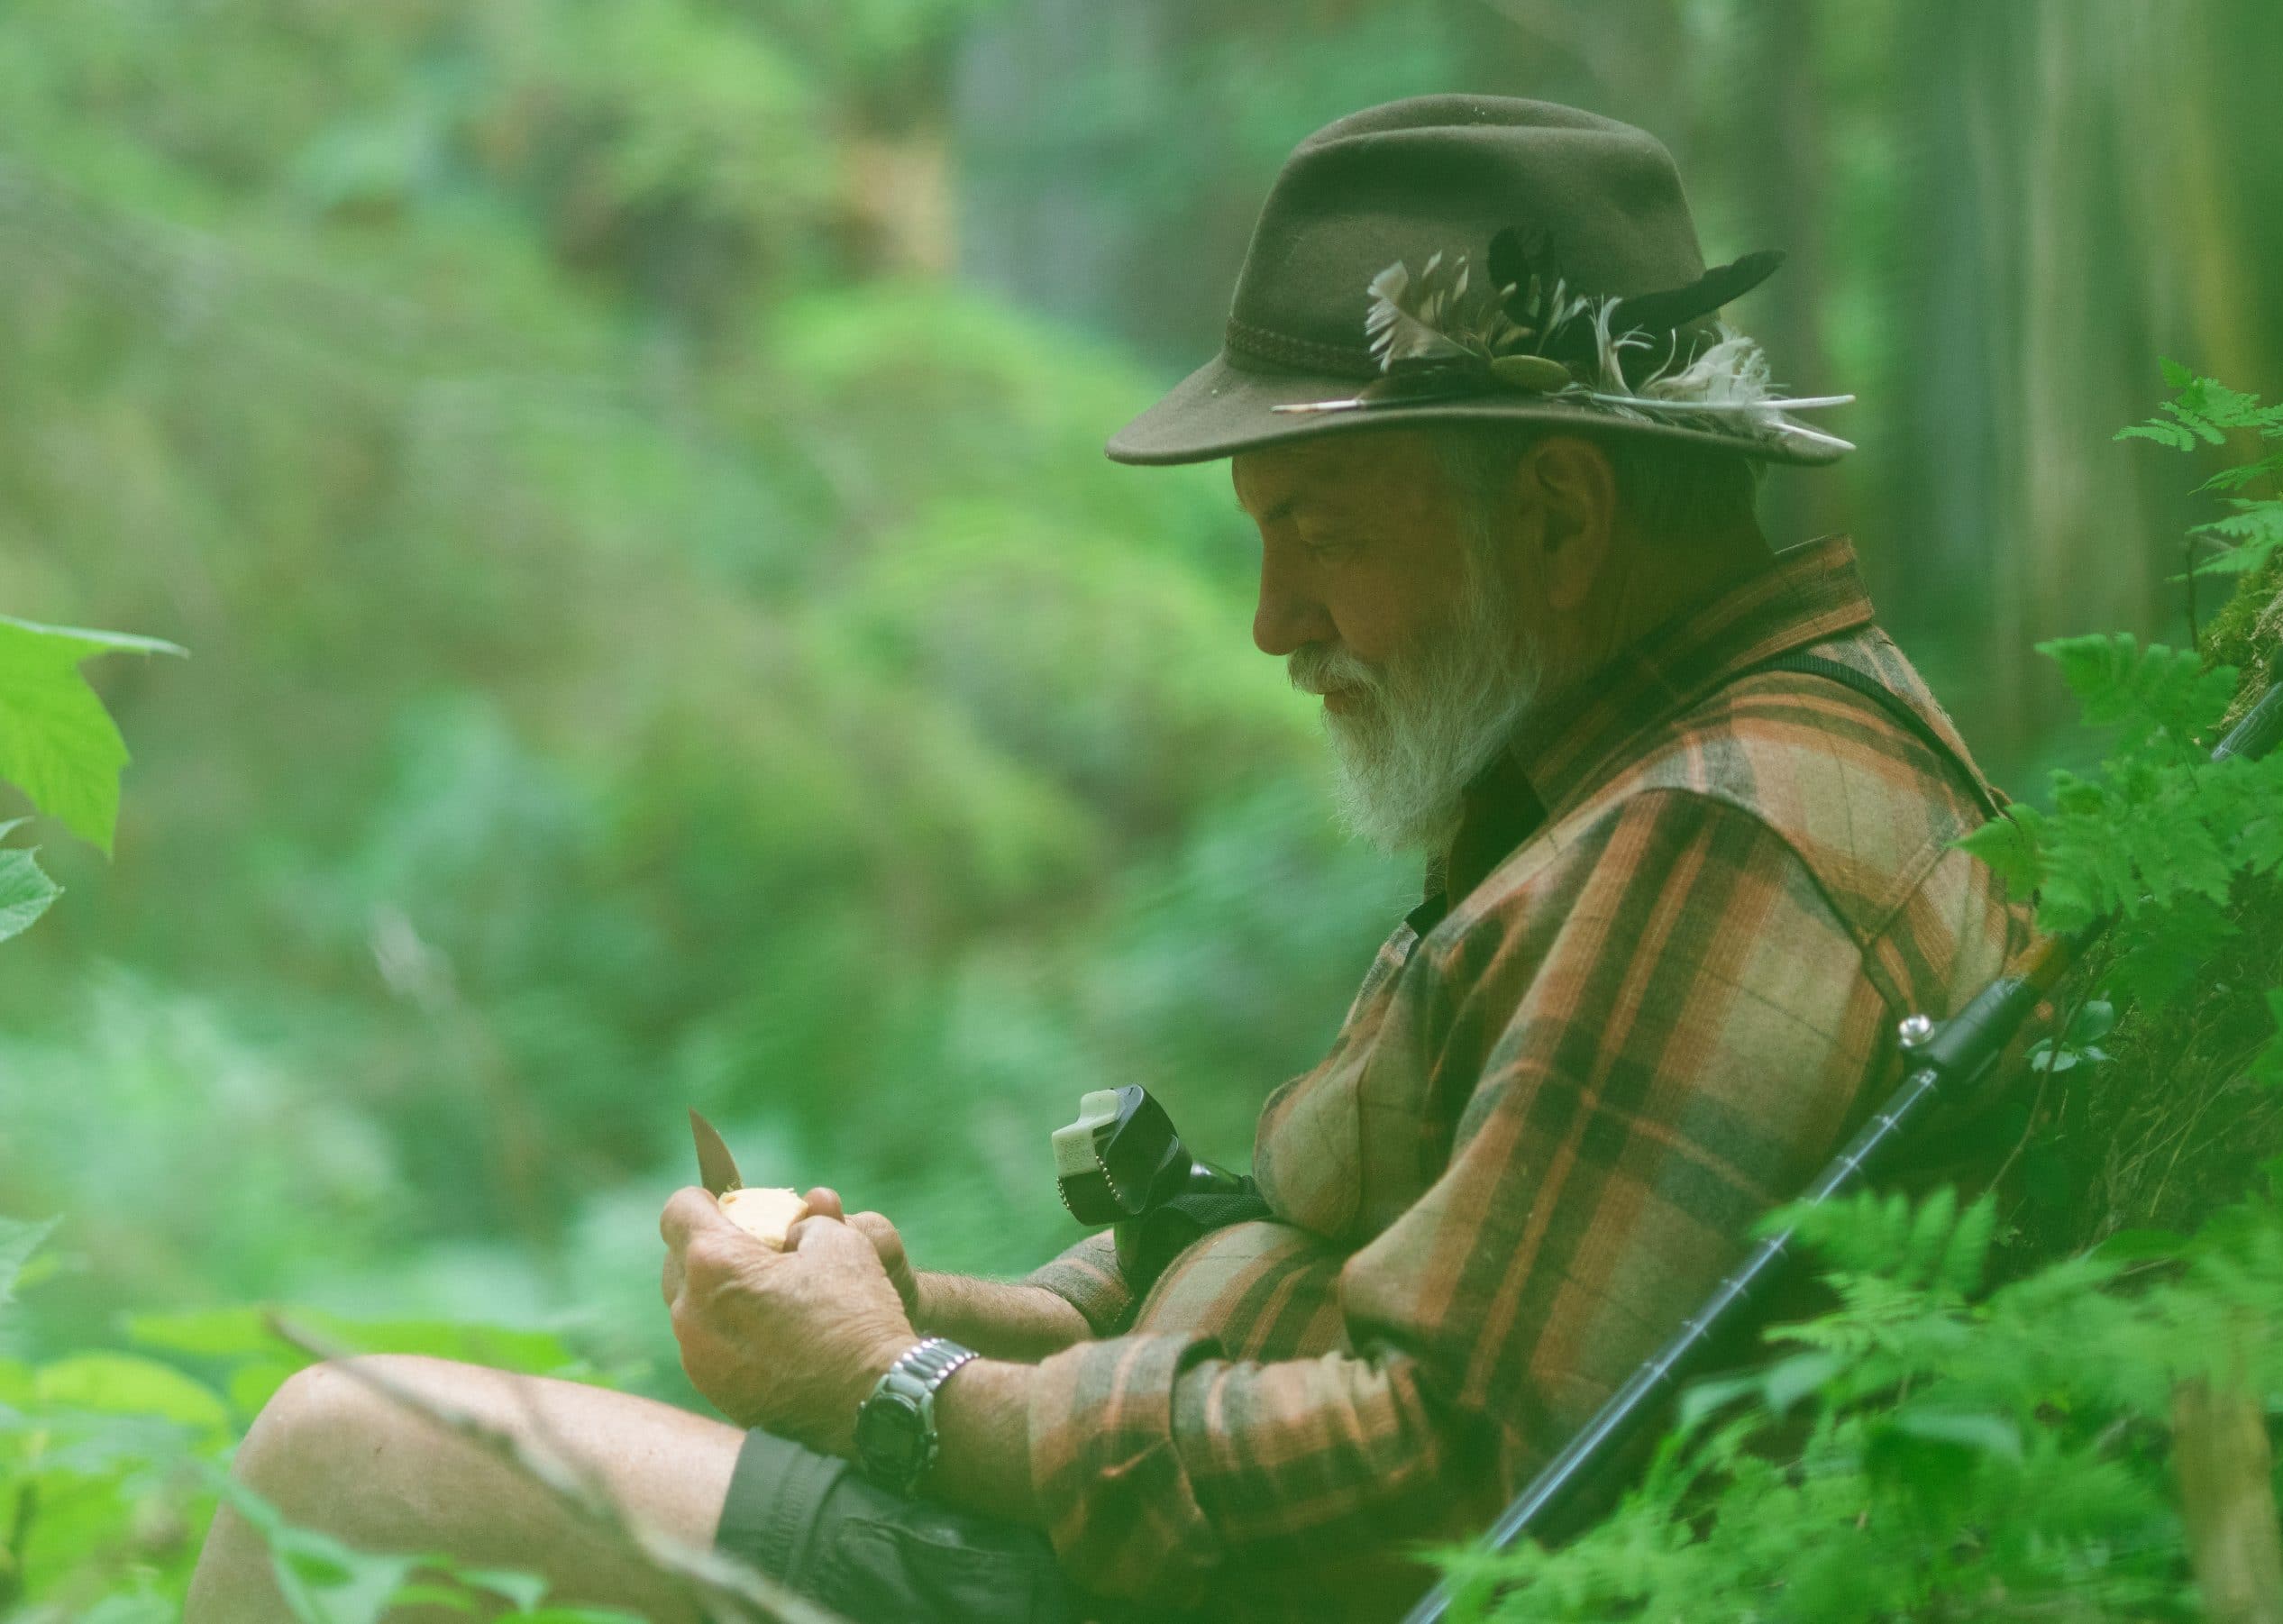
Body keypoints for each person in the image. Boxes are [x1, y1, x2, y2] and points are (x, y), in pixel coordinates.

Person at [187, 96, 2030, 1624]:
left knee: (339, 1460)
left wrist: (896, 1394)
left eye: (1313, 527)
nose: (1270, 618)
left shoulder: (1716, 832)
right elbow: (1347, 1284)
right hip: (1182, 1558)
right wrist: (941, 1320)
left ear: (1554, 512)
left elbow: (1453, 1473)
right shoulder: (1633, 783)